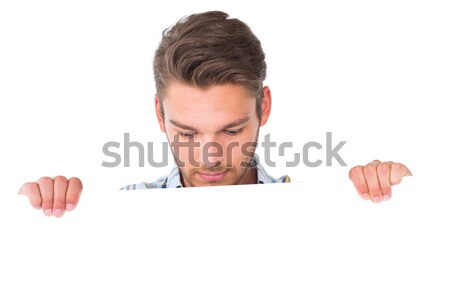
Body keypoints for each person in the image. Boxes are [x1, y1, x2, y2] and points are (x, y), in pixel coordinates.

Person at [17, 11, 412, 217]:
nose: (209, 158)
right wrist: (41, 217)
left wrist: (397, 196)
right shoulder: (117, 214)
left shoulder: (318, 209)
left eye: (230, 131)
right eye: (187, 134)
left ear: (265, 108)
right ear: (159, 114)